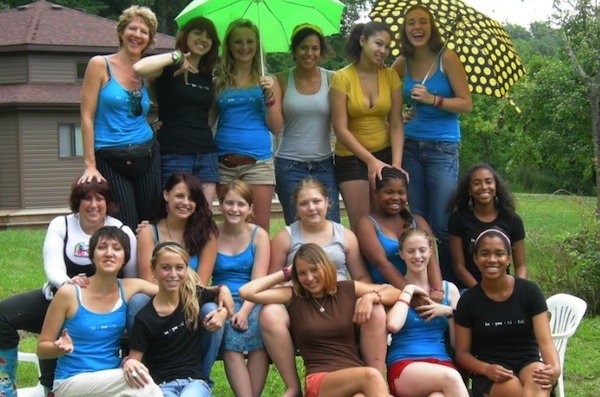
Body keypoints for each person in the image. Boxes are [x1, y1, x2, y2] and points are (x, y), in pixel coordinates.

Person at [0, 179, 136, 396]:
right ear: (77, 202)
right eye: (86, 198)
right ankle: (5, 387)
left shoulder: (121, 231)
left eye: (99, 198)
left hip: (101, 310)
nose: (93, 204)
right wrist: (69, 285)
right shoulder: (61, 224)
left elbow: (132, 275)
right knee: (3, 313)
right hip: (57, 301)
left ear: (107, 202)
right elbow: (52, 266)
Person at [259, 178, 385, 397]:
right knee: (269, 312)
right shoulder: (285, 237)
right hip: (302, 302)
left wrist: (368, 296)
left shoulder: (345, 236)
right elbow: (272, 279)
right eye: (304, 203)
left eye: (316, 201)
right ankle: (293, 386)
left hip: (339, 300)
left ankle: (373, 378)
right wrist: (291, 282)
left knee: (376, 309)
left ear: (328, 202)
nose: (311, 208)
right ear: (295, 207)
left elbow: (362, 276)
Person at [240, 243, 400, 397]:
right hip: (320, 381)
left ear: (326, 267)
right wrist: (284, 273)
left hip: (354, 376)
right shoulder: (293, 296)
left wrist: (371, 296)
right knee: (371, 376)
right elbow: (246, 292)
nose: (309, 278)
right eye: (302, 273)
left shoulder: (346, 289)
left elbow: (395, 293)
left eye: (314, 270)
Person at [390, 4, 473, 284]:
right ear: (405, 29)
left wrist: (433, 100)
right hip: (411, 145)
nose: (417, 27)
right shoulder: (403, 62)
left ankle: (453, 285)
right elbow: (385, 93)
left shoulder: (446, 58)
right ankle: (424, 285)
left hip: (442, 148)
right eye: (411, 22)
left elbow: (466, 103)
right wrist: (401, 115)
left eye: (423, 22)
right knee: (417, 221)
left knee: (443, 223)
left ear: (431, 27)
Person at [36, 226, 162, 397]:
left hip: (111, 380)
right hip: (71, 381)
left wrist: (211, 297)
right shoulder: (69, 293)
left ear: (125, 257)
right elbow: (42, 349)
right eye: (102, 247)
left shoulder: (129, 287)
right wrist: (59, 349)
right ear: (92, 256)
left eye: (117, 249)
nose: (109, 253)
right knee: (144, 384)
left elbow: (170, 291)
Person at [135, 171, 223, 386]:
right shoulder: (149, 231)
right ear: (166, 195)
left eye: (191, 198)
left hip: (190, 301)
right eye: (179, 196)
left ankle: (200, 379)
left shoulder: (206, 234)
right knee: (137, 301)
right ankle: (143, 374)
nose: (186, 203)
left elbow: (200, 284)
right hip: (158, 299)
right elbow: (148, 281)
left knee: (211, 311)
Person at [79, 5, 161, 229]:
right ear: (121, 32)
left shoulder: (148, 73)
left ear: (150, 39)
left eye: (144, 32)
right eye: (132, 29)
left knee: (151, 222)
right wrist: (90, 165)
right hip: (110, 155)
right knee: (123, 225)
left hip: (146, 152)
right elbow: (86, 116)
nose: (137, 35)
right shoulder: (100, 65)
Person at [454, 229, 560, 397]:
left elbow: (545, 342)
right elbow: (462, 354)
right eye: (484, 254)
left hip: (528, 362)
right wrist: (486, 369)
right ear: (475, 259)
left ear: (509, 258)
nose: (492, 259)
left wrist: (554, 369)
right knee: (517, 392)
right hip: (491, 371)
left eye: (499, 253)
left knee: (540, 381)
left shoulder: (529, 291)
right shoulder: (468, 301)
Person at [126, 241, 233, 397]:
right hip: (161, 385)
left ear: (186, 269)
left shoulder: (193, 298)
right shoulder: (145, 318)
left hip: (194, 382)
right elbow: (134, 360)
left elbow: (219, 298)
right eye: (165, 268)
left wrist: (222, 310)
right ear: (153, 270)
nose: (173, 274)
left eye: (179, 267)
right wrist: (128, 362)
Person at [133, 16, 221, 205]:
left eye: (209, 36)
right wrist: (176, 56)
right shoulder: (169, 67)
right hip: (174, 153)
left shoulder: (208, 77)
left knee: (203, 217)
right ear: (185, 36)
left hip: (206, 154)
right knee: (174, 214)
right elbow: (138, 68)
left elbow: (209, 118)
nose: (203, 39)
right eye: (198, 32)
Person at [330, 21, 404, 232]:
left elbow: (396, 123)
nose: (383, 51)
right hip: (351, 158)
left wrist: (395, 166)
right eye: (378, 44)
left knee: (386, 221)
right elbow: (340, 128)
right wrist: (371, 161)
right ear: (363, 41)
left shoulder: (390, 76)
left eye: (387, 47)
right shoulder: (342, 78)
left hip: (386, 154)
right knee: (362, 225)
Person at [212, 19, 284, 233]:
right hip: (223, 162)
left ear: (257, 45)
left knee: (258, 228)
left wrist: (269, 95)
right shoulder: (218, 82)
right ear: (229, 46)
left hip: (258, 163)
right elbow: (207, 121)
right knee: (232, 226)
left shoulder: (268, 81)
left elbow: (277, 126)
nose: (244, 47)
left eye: (250, 41)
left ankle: (260, 268)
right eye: (238, 42)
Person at [386, 228, 468, 397]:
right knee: (452, 378)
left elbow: (457, 343)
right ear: (401, 254)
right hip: (405, 364)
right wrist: (408, 291)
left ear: (430, 251)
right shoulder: (392, 289)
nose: (417, 256)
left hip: (441, 361)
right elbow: (393, 325)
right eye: (410, 251)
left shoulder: (448, 289)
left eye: (422, 250)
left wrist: (448, 311)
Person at [274, 24, 340, 224]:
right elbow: (275, 125)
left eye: (314, 48)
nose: (309, 53)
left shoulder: (332, 78)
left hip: (324, 164)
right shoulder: (280, 80)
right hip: (289, 164)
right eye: (303, 47)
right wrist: (269, 97)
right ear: (294, 50)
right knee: (296, 228)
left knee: (331, 226)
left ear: (321, 50)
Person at [212, 180, 270, 397]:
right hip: (222, 298)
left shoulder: (259, 236)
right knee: (230, 336)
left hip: (253, 298)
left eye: (241, 204)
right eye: (229, 203)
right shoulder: (212, 235)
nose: (235, 209)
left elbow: (259, 280)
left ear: (250, 208)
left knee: (259, 335)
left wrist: (245, 311)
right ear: (221, 204)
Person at [355, 167, 444, 301]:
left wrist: (437, 289)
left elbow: (431, 259)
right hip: (387, 292)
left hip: (421, 288)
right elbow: (382, 264)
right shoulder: (367, 224)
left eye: (401, 192)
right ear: (376, 192)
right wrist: (411, 297)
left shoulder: (418, 221)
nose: (395, 198)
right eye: (389, 192)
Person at [448, 164, 527, 289]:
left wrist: (516, 290)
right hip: (471, 289)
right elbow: (459, 267)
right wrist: (480, 293)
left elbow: (521, 267)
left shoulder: (512, 220)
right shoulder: (458, 220)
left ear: (496, 186)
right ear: (469, 190)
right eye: (476, 183)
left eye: (488, 182)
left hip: (503, 288)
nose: (484, 187)